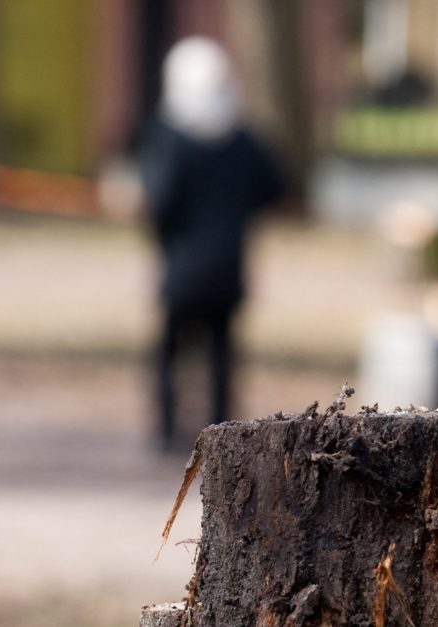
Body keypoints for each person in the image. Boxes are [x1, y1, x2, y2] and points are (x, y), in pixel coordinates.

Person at [141, 37, 284, 453]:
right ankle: (223, 433)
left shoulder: (170, 138)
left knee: (171, 352)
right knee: (221, 357)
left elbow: (160, 201)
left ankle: (166, 432)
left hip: (182, 269)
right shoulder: (242, 140)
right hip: (226, 267)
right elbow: (273, 187)